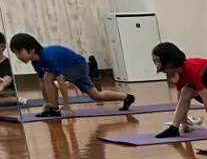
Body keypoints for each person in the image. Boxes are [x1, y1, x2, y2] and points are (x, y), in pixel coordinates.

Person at [7, 33, 136, 116]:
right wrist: (45, 101)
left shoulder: (47, 57)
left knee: (49, 77)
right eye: (15, 54)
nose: (18, 56)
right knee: (96, 95)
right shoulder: (35, 61)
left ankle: (54, 109)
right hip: (73, 66)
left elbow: (61, 82)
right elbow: (41, 83)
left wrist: (66, 104)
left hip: (78, 66)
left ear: (32, 49)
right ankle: (127, 97)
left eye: (20, 52)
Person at [151, 41, 207, 138]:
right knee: (185, 91)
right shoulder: (175, 73)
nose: (156, 64)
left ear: (170, 61)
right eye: (155, 61)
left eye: (158, 61)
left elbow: (206, 101)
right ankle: (174, 128)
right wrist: (184, 123)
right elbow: (180, 99)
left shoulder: (193, 70)